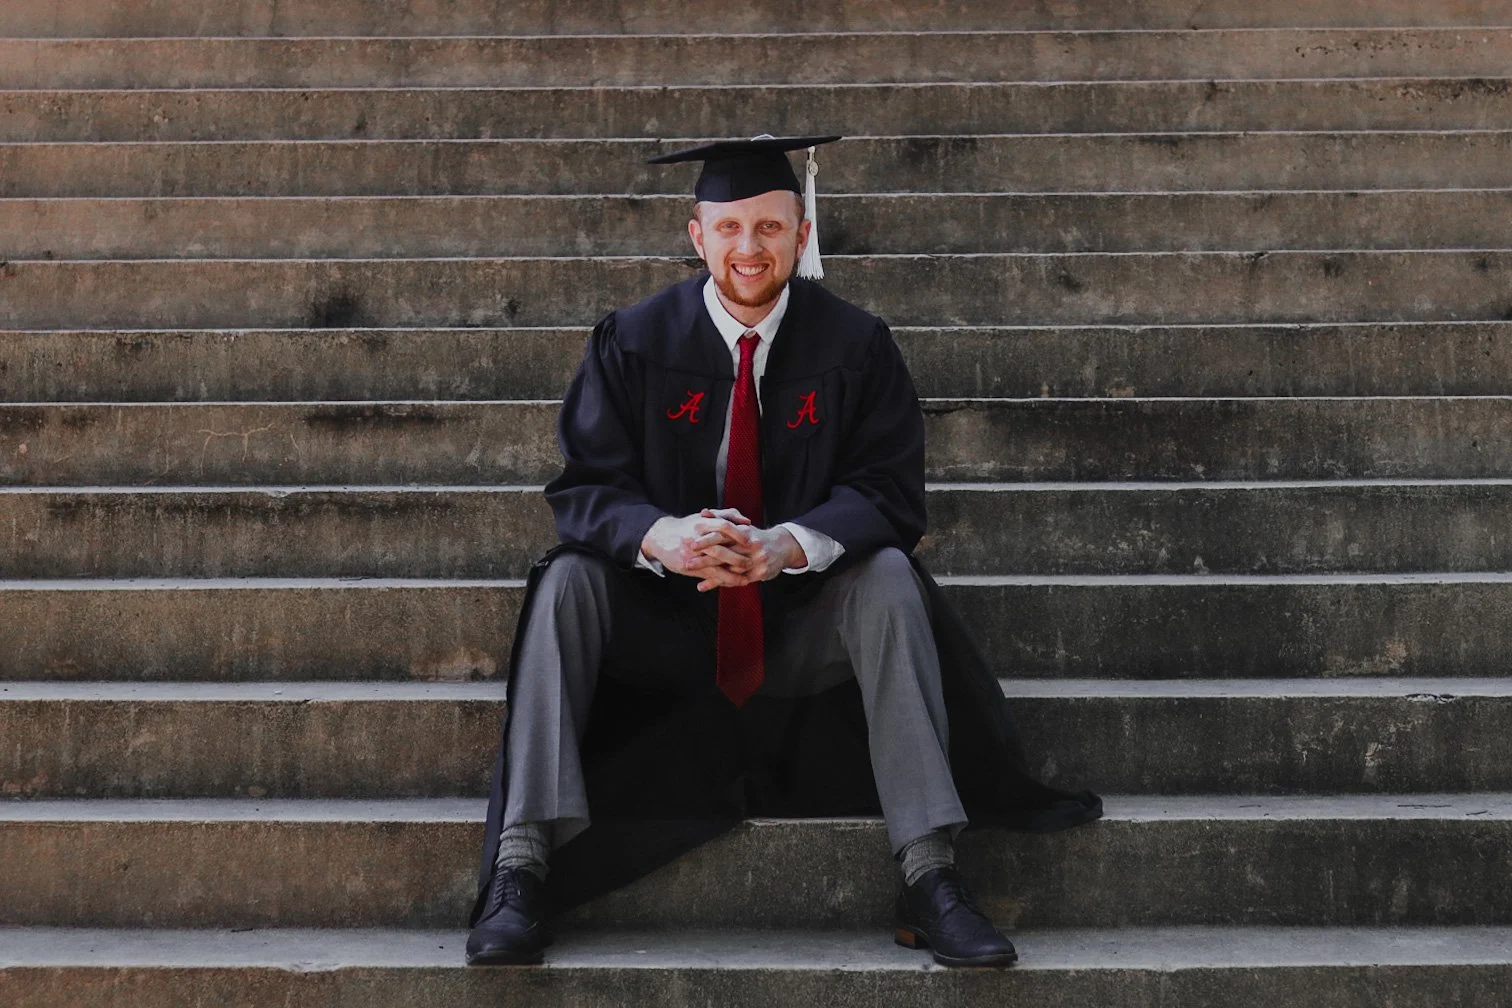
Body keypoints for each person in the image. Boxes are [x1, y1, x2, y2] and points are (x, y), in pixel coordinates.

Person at [465, 135, 1101, 969]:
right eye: (729, 228)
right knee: (567, 582)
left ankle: (929, 874)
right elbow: (585, 490)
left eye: (769, 227)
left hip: (802, 629)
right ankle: (523, 865)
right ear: (698, 237)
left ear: (801, 234)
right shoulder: (632, 341)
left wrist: (786, 548)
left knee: (888, 577)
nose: (749, 248)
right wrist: (668, 539)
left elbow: (890, 492)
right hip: (665, 624)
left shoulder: (857, 345)